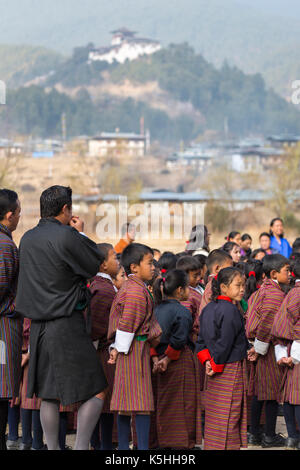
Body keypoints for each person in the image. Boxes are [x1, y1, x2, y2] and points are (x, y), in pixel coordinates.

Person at [15, 185, 108, 450]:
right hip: (66, 324)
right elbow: (94, 264)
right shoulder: (68, 235)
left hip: (38, 327)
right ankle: (80, 447)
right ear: (66, 209)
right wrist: (79, 233)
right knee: (97, 389)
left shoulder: (28, 238)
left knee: (48, 394)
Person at [107, 243, 162, 450]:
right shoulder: (136, 292)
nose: (153, 267)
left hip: (130, 348)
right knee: (140, 403)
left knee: (127, 402)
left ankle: (125, 446)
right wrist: (118, 349)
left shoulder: (136, 287)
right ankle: (134, 448)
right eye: (149, 263)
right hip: (131, 351)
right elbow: (128, 323)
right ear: (134, 267)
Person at [196, 267, 254, 450]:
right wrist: (216, 364)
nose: (242, 289)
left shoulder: (207, 309)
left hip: (212, 367)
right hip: (229, 368)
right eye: (238, 285)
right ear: (223, 287)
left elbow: (201, 341)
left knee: (216, 415)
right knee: (230, 414)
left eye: (243, 285)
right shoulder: (230, 310)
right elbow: (226, 341)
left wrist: (207, 362)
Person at [152, 269, 202, 449]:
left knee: (161, 401)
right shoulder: (182, 311)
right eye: (188, 287)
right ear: (180, 290)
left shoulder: (155, 308)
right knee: (183, 402)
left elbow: (149, 336)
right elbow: (179, 340)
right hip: (178, 361)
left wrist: (156, 358)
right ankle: (180, 443)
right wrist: (167, 359)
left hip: (156, 361)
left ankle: (160, 440)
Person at [245, 254, 290, 448]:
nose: (290, 274)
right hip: (268, 347)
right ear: (273, 273)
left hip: (259, 345)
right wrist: (259, 348)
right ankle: (269, 435)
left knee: (259, 391)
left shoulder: (263, 290)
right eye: (286, 270)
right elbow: (266, 325)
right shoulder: (274, 294)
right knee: (271, 393)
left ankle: (254, 433)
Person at [89, 243, 119, 451]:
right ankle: (101, 445)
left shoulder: (104, 286)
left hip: (103, 349)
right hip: (102, 351)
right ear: (103, 265)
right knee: (103, 403)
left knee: (104, 404)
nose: (118, 261)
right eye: (114, 257)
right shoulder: (103, 289)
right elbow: (97, 324)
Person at [0, 189, 22, 451]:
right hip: (3, 327)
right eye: (17, 213)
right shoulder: (4, 245)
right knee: (1, 388)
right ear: (8, 216)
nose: (18, 217)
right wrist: (15, 305)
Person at [271, 257, 300, 449]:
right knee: (296, 397)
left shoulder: (291, 293)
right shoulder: (297, 294)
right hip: (296, 351)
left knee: (290, 395)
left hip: (287, 348)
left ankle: (292, 437)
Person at [176, 255, 202, 343]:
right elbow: (186, 319)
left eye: (199, 274)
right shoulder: (186, 295)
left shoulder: (200, 287)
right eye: (195, 276)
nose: (199, 278)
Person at [198, 249, 233, 316]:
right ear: (217, 268)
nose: (232, 272)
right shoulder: (214, 285)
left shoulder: (217, 283)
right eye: (229, 269)